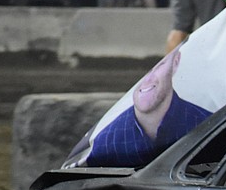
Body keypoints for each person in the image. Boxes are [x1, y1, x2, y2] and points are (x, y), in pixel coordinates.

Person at [83, 49, 212, 167]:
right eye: (138, 70)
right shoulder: (104, 141)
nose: (147, 78)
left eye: (158, 65)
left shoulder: (210, 126)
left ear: (176, 62)